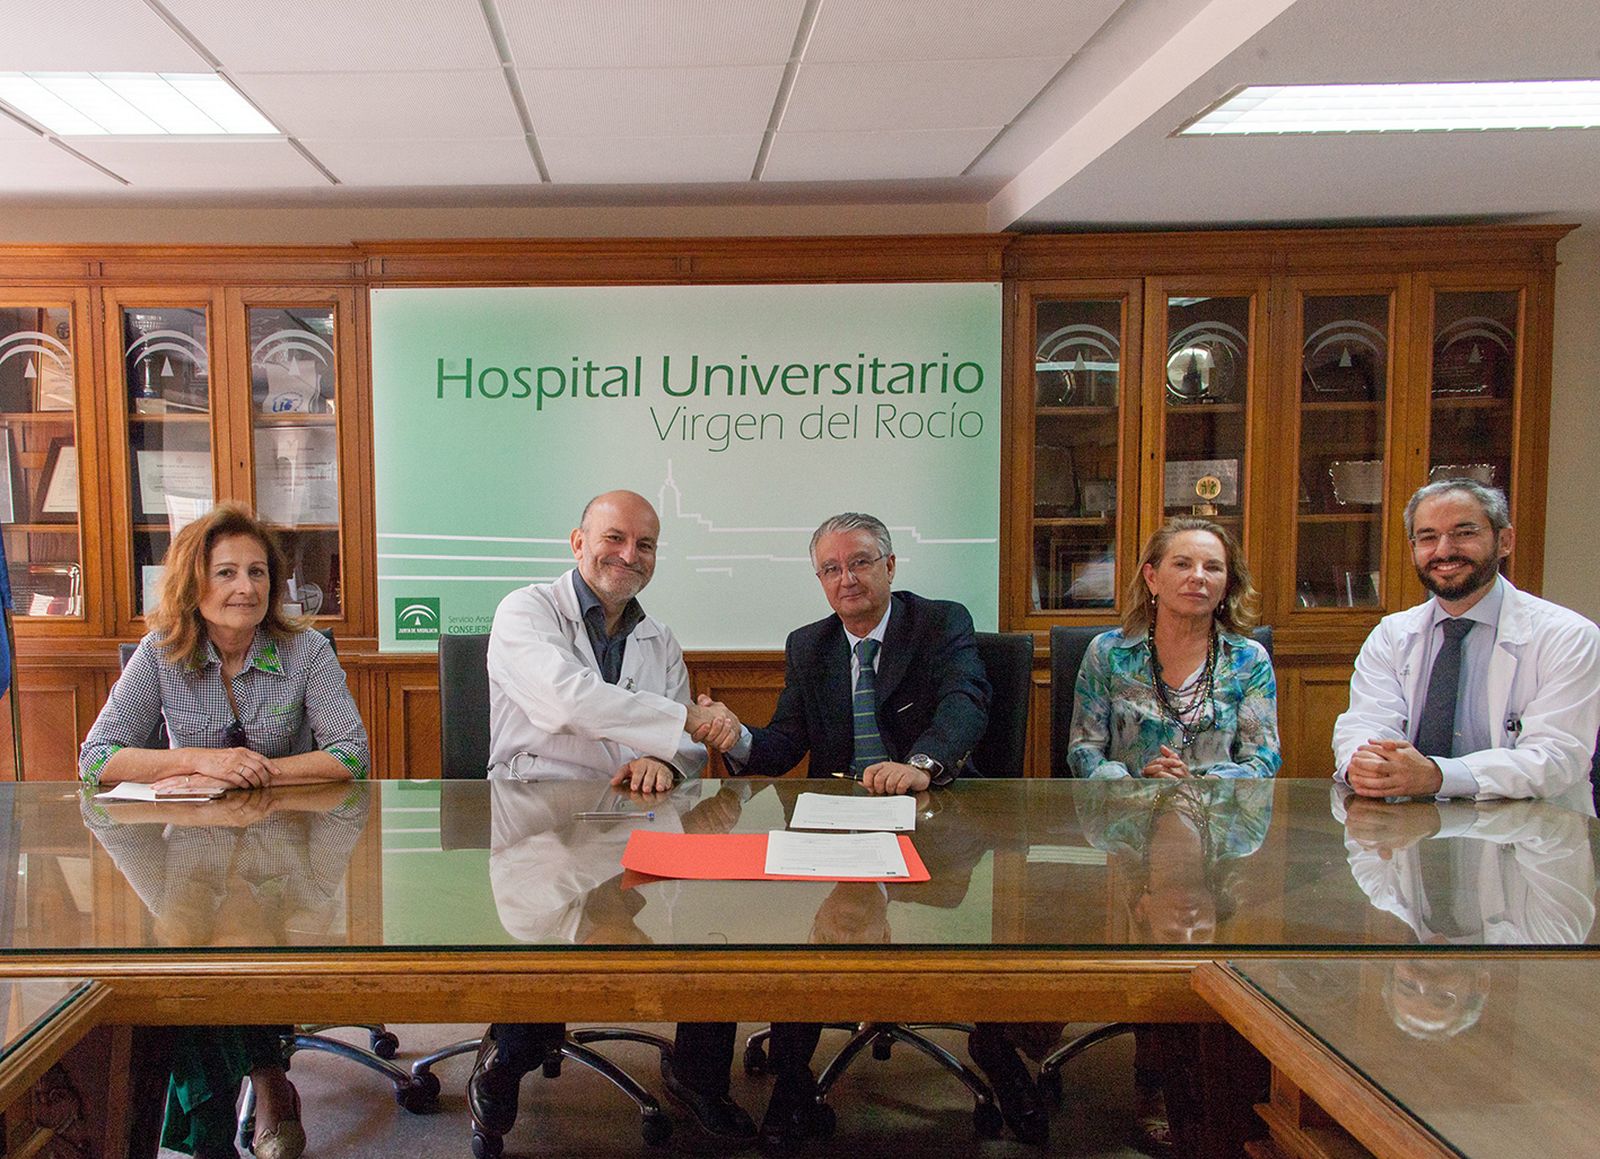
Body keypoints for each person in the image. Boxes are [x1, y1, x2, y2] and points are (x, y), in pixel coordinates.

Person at [78, 502, 370, 1159]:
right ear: (193, 583)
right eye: (228, 572)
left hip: (294, 851)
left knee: (248, 936)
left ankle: (245, 1100)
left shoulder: (306, 650)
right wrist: (200, 760)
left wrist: (258, 774)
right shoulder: (161, 654)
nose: (247, 587)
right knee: (189, 956)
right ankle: (266, 1083)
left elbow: (351, 754)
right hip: (188, 852)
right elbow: (96, 757)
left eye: (259, 572)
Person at [470, 489, 753, 1143]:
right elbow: (568, 700)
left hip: (637, 818)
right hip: (538, 817)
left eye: (645, 544)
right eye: (615, 537)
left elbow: (683, 746)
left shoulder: (660, 638)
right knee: (543, 938)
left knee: (714, 923)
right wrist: (682, 722)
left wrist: (670, 761)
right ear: (578, 542)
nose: (629, 554)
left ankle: (698, 1076)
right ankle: (504, 1059)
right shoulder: (526, 611)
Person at [722, 511, 991, 1146]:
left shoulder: (939, 622)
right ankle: (793, 1083)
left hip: (931, 816)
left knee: (974, 918)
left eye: (862, 562)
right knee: (807, 932)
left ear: (890, 567)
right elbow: (787, 740)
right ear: (820, 579)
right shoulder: (808, 644)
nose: (848, 579)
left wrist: (920, 764)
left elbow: (965, 702)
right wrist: (734, 737)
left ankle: (1000, 1061)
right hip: (836, 822)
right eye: (832, 569)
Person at [1041, 516, 1278, 1154]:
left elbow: (1263, 760)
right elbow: (1083, 751)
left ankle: (1202, 1092)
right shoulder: (1108, 654)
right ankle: (1132, 1070)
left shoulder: (1248, 659)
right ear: (1151, 576)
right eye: (1182, 564)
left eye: (1213, 568)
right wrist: (1136, 777)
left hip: (1220, 825)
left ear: (1228, 584)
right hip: (1116, 833)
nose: (1198, 578)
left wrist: (1199, 777)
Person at [1333, 479, 1600, 815]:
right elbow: (1364, 723)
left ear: (1504, 541)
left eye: (1464, 533)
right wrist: (1365, 763)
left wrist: (1438, 776)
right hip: (1409, 825)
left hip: (1530, 832)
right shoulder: (1393, 634)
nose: (1444, 551)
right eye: (1428, 537)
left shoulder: (1569, 637)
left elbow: (1556, 759)